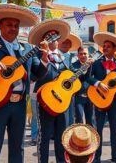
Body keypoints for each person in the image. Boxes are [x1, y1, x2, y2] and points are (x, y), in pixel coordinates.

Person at [0, 4, 48, 163]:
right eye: (9, 24)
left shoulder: (27, 48)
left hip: (20, 104)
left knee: (17, 147)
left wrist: (44, 60)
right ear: (0, 26)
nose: (13, 28)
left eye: (16, 25)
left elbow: (38, 73)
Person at [28, 19, 74, 163]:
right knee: (45, 136)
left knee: (62, 136)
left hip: (62, 101)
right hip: (45, 100)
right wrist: (44, 56)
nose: (52, 38)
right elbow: (35, 73)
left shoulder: (66, 56)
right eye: (48, 36)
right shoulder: (35, 54)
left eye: (54, 36)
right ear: (43, 40)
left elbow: (70, 77)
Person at [87, 32, 116, 163]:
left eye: (108, 46)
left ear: (114, 49)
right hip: (99, 100)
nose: (104, 48)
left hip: (114, 101)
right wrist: (98, 83)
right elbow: (88, 78)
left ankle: (115, 155)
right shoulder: (96, 63)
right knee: (98, 129)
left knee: (114, 129)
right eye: (104, 46)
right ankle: (97, 157)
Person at [58, 33, 82, 126]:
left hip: (70, 91)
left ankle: (68, 136)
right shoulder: (53, 55)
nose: (65, 44)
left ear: (70, 45)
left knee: (70, 116)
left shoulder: (74, 58)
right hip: (57, 89)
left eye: (67, 42)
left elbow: (76, 73)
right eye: (63, 42)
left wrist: (85, 67)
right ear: (59, 43)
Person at [73, 46, 94, 125]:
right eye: (81, 54)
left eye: (85, 53)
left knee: (91, 121)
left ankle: (92, 137)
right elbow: (77, 77)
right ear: (77, 55)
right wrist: (86, 66)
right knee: (79, 120)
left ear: (89, 55)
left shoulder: (94, 65)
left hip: (91, 96)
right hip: (78, 96)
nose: (83, 56)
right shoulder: (73, 66)